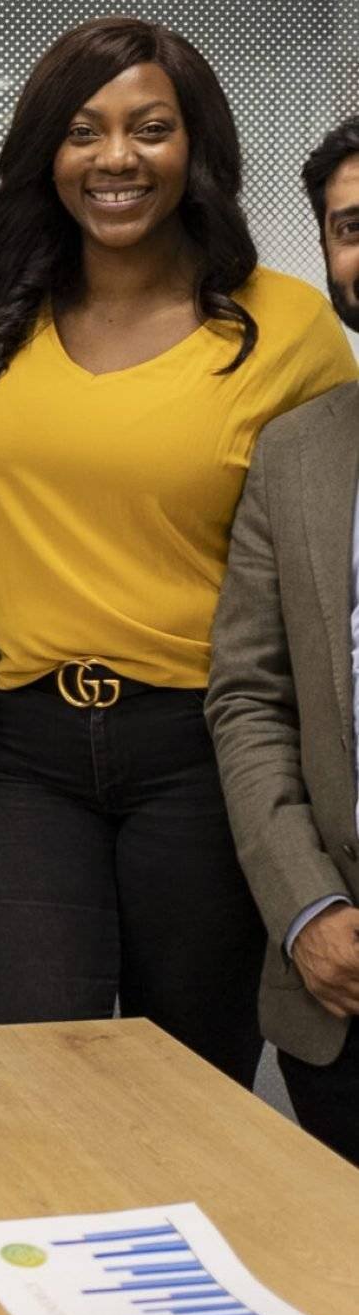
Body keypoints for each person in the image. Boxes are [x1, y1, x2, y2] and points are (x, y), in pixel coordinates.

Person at [0, 17, 356, 1086]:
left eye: (151, 128)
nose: (116, 157)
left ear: (198, 148)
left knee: (190, 1088)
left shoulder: (289, 328)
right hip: (19, 754)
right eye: (82, 131)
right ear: (48, 152)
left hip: (206, 755)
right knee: (23, 1078)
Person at [206, 114, 359, 1163]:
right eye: (351, 226)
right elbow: (250, 695)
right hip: (337, 987)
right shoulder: (296, 454)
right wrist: (307, 907)